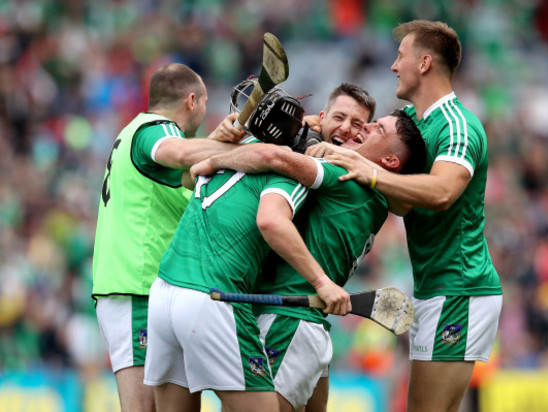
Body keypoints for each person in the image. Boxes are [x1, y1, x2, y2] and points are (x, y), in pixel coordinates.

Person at [312, 20, 503, 412]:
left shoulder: (456, 124)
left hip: (459, 289)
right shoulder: (416, 123)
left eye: (401, 57)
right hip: (435, 287)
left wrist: (372, 173)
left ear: (425, 63)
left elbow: (443, 192)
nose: (394, 66)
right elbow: (402, 200)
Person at [190, 110, 426, 412]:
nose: (365, 126)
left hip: (288, 324)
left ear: (391, 162)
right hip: (302, 324)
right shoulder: (378, 199)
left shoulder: (346, 178)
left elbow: (273, 158)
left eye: (378, 128)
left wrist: (215, 158)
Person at [142, 116, 354, 411]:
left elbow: (188, 176)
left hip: (163, 292)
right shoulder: (289, 170)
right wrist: (322, 282)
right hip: (213, 295)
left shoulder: (230, 153)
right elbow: (271, 221)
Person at [91, 62, 244, 412]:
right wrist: (242, 150)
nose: (205, 113)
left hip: (150, 292)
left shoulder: (138, 135)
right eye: (204, 103)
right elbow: (177, 152)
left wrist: (217, 143)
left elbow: (188, 169)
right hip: (137, 286)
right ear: (191, 100)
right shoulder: (153, 128)